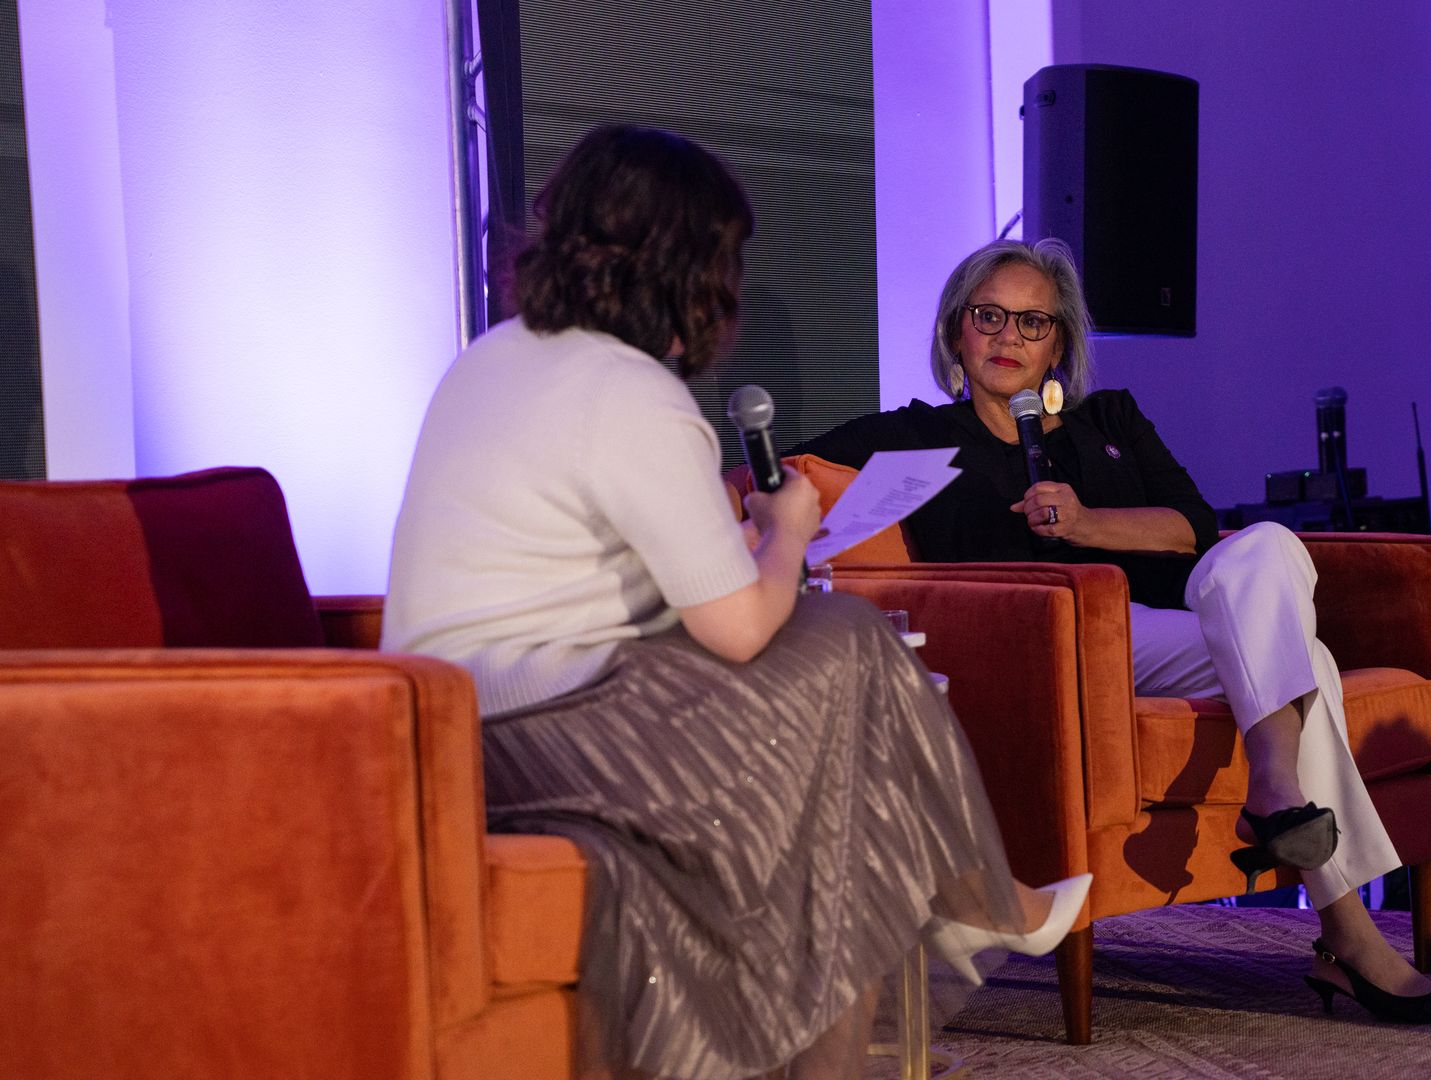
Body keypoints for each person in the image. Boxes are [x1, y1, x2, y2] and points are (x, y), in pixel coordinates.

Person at [381, 128, 1090, 1080]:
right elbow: (741, 627)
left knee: (853, 771)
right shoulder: (634, 393)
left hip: (445, 720)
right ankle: (973, 893)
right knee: (846, 643)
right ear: (688, 265)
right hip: (552, 725)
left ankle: (963, 894)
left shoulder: (494, 356)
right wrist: (786, 526)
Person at [789, 238, 1431, 1024]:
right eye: (990, 317)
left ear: (1059, 343)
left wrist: (1087, 522)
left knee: (1264, 548)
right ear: (958, 330)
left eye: (1032, 322)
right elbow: (775, 468)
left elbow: (1192, 526)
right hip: (1062, 651)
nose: (1009, 337)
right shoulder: (917, 436)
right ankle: (1347, 932)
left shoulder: (1110, 418)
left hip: (1167, 628)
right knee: (1308, 661)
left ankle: (1279, 791)